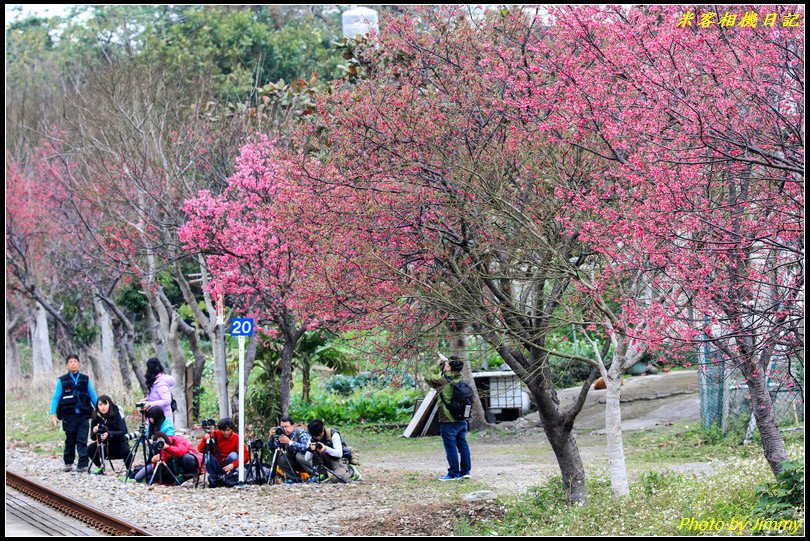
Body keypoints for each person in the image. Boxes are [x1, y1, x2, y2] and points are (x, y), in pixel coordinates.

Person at [424, 356, 472, 481]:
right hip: (462, 420)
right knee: (463, 445)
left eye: (447, 365)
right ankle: (465, 472)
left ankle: (453, 474)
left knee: (450, 446)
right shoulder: (460, 381)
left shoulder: (443, 382)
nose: (445, 366)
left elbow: (428, 376)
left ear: (449, 368)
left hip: (448, 419)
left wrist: (438, 364)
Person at [50, 353, 98, 472]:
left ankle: (83, 464)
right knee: (70, 440)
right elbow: (56, 397)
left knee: (82, 439)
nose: (73, 364)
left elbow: (92, 395)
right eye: (70, 362)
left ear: (79, 364)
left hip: (83, 415)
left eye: (75, 362)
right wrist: (53, 414)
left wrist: (99, 408)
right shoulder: (62, 380)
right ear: (67, 365)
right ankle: (68, 462)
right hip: (69, 416)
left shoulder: (85, 379)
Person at [197, 417, 250, 487]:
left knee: (233, 455)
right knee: (207, 456)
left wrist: (233, 465)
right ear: (219, 429)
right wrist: (205, 439)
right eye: (223, 430)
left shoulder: (236, 438)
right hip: (217, 464)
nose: (226, 433)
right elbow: (201, 450)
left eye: (228, 430)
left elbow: (245, 456)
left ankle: (228, 477)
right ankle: (215, 477)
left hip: (229, 465)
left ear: (232, 429)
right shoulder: (214, 434)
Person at [304, 419, 360, 483]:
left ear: (322, 430)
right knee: (315, 453)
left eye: (319, 435)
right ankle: (323, 474)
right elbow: (307, 459)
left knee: (338, 479)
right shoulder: (312, 439)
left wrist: (326, 449)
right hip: (324, 461)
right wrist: (310, 450)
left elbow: (339, 454)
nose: (317, 438)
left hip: (338, 459)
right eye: (315, 436)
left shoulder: (332, 434)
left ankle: (351, 471)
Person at [87, 395, 133, 473]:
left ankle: (129, 470)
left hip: (117, 443)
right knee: (90, 449)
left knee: (127, 451)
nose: (103, 407)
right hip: (103, 445)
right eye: (100, 405)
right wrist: (94, 431)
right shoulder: (95, 416)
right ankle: (99, 467)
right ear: (97, 406)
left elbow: (123, 432)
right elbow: (93, 437)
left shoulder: (116, 413)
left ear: (109, 404)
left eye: (105, 404)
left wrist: (109, 434)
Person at [134, 432, 202, 484]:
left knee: (187, 458)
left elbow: (181, 451)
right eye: (158, 441)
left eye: (161, 440)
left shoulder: (177, 439)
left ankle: (194, 475)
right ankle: (178, 478)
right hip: (173, 467)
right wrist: (154, 460)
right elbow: (162, 462)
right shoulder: (161, 448)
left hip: (191, 460)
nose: (161, 442)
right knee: (142, 477)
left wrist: (168, 447)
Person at [267, 416, 311, 481]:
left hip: (306, 461)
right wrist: (271, 437)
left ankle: (314, 474)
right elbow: (273, 448)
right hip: (293, 461)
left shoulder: (301, 433)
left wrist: (290, 442)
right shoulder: (281, 435)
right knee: (280, 457)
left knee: (299, 455)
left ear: (293, 426)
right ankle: (295, 479)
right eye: (282, 427)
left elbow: (306, 447)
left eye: (286, 426)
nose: (284, 429)